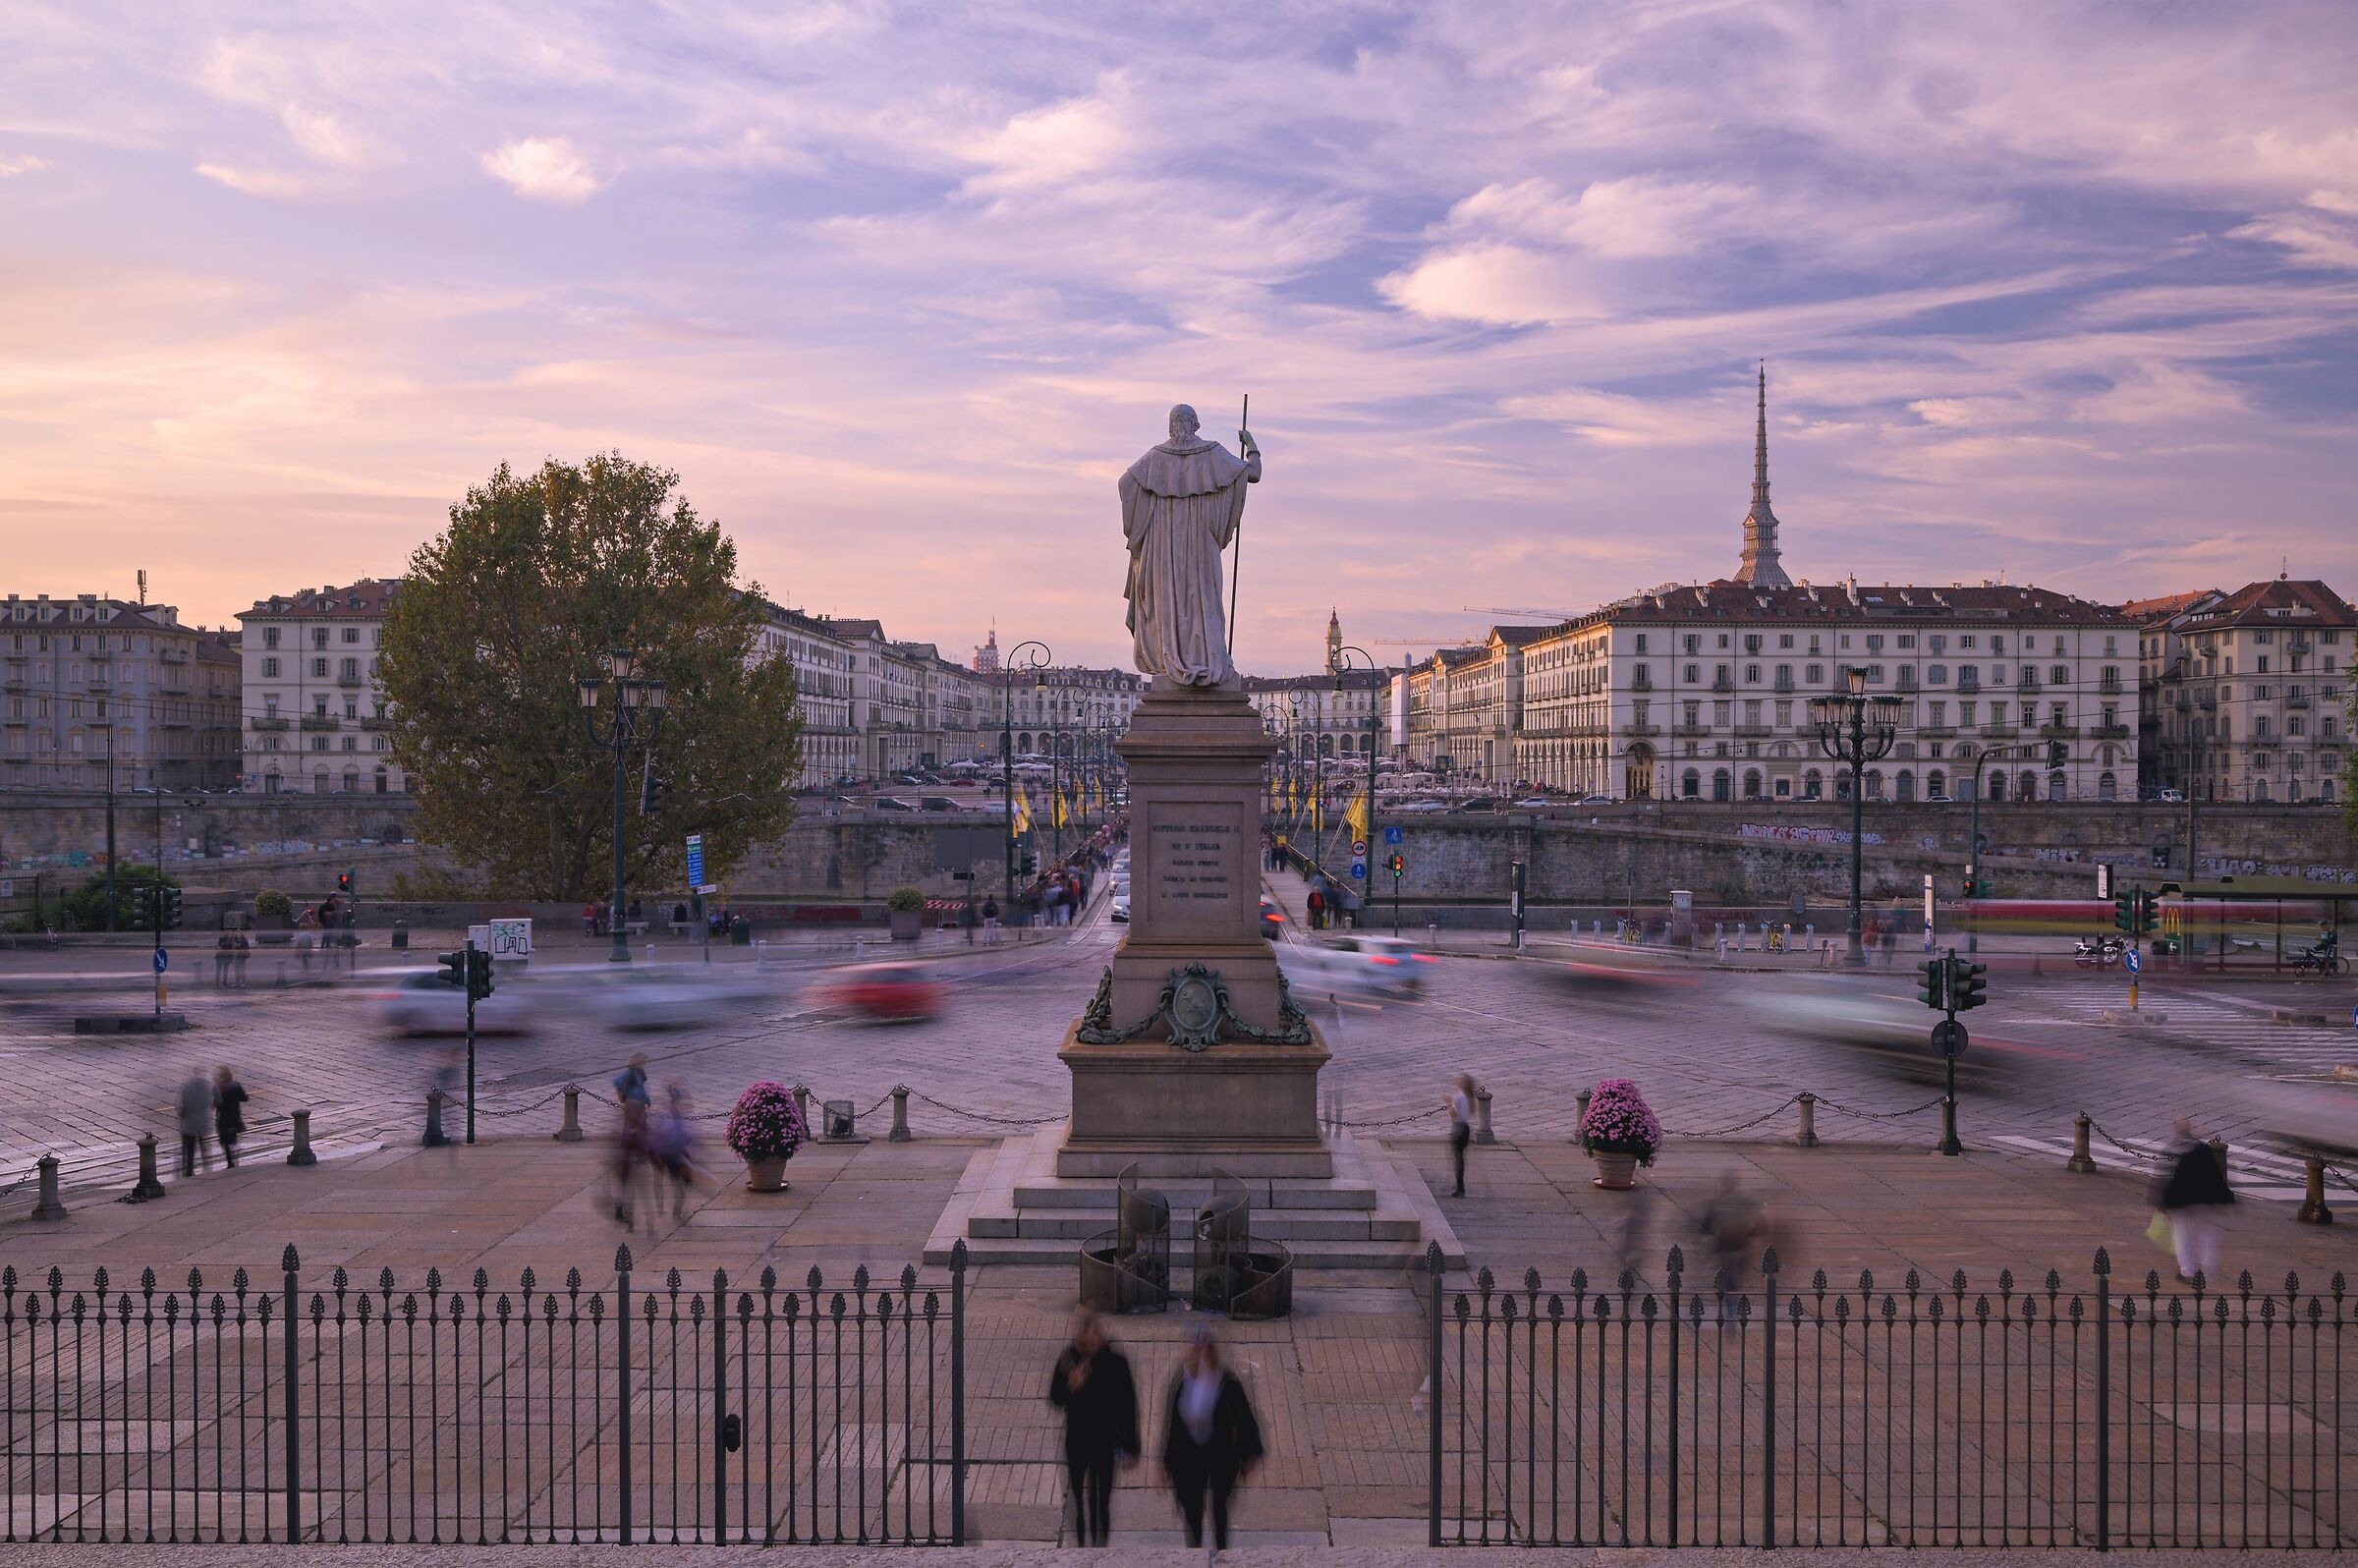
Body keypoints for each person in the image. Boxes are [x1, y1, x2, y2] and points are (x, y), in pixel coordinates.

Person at [1161, 1327, 1263, 1553]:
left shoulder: (1226, 1382)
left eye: (1203, 1353)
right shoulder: (1184, 1381)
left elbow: (1244, 1417)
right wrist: (1166, 1461)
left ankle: (1222, 1553)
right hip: (1190, 1454)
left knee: (1219, 1509)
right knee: (1193, 1511)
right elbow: (1174, 1426)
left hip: (1220, 1453)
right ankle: (1196, 1553)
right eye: (1195, 1352)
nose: (1197, 1357)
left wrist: (1249, 1454)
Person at [1047, 1309, 1139, 1547]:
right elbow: (1055, 1398)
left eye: (1093, 1337)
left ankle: (1100, 1550)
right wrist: (1071, 1387)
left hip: (1106, 1441)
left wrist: (1131, 1446)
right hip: (1077, 1440)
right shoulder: (1069, 1358)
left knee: (1102, 1503)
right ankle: (1080, 1551)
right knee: (1078, 1501)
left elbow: (1129, 1406)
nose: (1089, 1343)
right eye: (1085, 1338)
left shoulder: (1115, 1363)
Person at [2157, 1118, 2233, 1283]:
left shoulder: (2174, 1149)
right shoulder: (2203, 1149)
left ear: (2177, 1130)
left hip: (2182, 1203)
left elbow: (2166, 1178)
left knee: (2183, 1237)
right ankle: (2208, 1271)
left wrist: (2162, 1202)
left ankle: (2187, 1272)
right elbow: (2216, 1176)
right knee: (2208, 1236)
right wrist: (2224, 1198)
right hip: (2206, 1201)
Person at [610, 1053, 652, 1227]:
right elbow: (619, 1086)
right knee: (629, 1182)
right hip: (632, 1129)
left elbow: (642, 1092)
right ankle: (624, 1211)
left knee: (629, 1181)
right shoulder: (628, 1077)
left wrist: (647, 1101)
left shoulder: (639, 1077)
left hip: (636, 1118)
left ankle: (622, 1210)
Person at [648, 1084, 696, 1222]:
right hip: (669, 1154)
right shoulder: (670, 1117)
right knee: (678, 1184)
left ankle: (669, 1209)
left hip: (671, 1153)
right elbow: (670, 1136)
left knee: (677, 1183)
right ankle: (672, 1210)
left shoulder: (673, 1115)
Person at [176, 1070, 215, 1178]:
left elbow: (184, 1105)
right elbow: (211, 1101)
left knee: (189, 1147)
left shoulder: (188, 1087)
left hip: (190, 1122)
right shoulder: (207, 1087)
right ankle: (207, 1165)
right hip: (203, 1120)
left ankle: (189, 1169)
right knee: (204, 1144)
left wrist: (181, 1114)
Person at [1445, 1075, 1476, 1198]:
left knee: (1457, 1159)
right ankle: (1460, 1185)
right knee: (1461, 1158)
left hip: (1458, 1129)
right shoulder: (1470, 1097)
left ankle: (1460, 1187)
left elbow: (1453, 1114)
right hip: (1466, 1129)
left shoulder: (1458, 1097)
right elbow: (1470, 1113)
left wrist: (1449, 1103)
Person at [213, 1065, 249, 1169]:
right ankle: (235, 1159)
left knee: (225, 1141)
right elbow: (245, 1098)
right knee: (234, 1139)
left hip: (223, 1117)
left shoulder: (218, 1087)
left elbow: (216, 1102)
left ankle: (230, 1162)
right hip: (234, 1116)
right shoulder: (236, 1085)